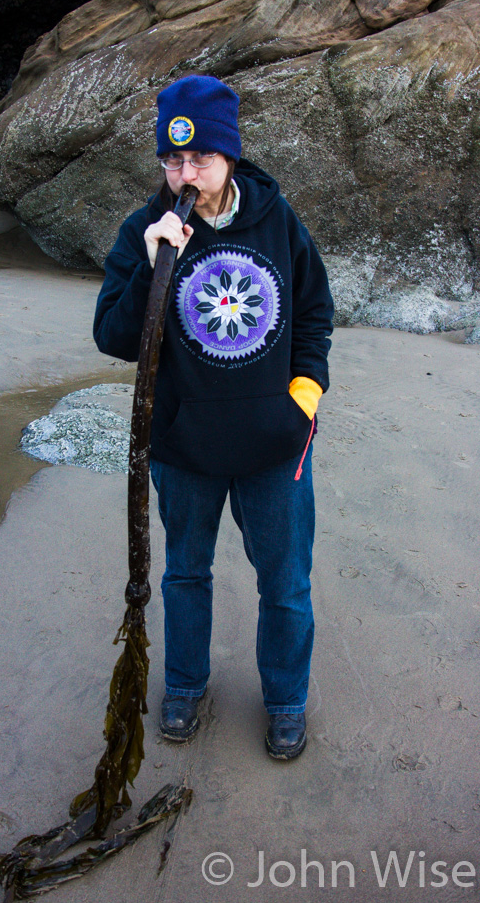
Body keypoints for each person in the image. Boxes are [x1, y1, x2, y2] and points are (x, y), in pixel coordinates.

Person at [93, 75, 334, 760]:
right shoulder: (149, 226)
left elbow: (314, 309)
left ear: (228, 156)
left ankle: (286, 700)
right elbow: (112, 336)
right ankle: (186, 685)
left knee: (284, 585)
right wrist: (148, 264)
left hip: (273, 445)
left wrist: (304, 395)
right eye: (172, 161)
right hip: (184, 445)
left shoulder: (277, 220)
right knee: (184, 574)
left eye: (199, 159)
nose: (184, 175)